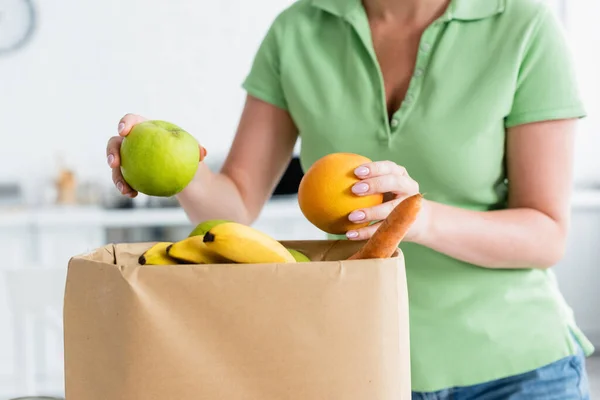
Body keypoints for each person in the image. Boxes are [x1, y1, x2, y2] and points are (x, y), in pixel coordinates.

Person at [106, 0, 595, 398]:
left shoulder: (522, 25)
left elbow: (545, 234)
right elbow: (233, 209)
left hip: (517, 373)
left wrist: (415, 219)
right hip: (355, 364)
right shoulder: (298, 30)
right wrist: (173, 167)